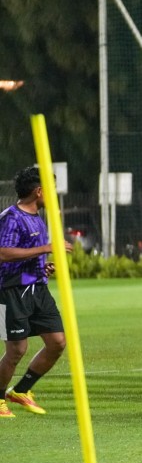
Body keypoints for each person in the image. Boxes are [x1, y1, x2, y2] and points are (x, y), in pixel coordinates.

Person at [0, 166, 70, 417]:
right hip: (10, 291)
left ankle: (21, 390)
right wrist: (47, 248)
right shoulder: (11, 217)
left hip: (37, 288)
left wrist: (42, 266)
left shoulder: (38, 218)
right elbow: (3, 253)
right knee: (16, 350)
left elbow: (29, 255)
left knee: (57, 342)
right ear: (39, 191)